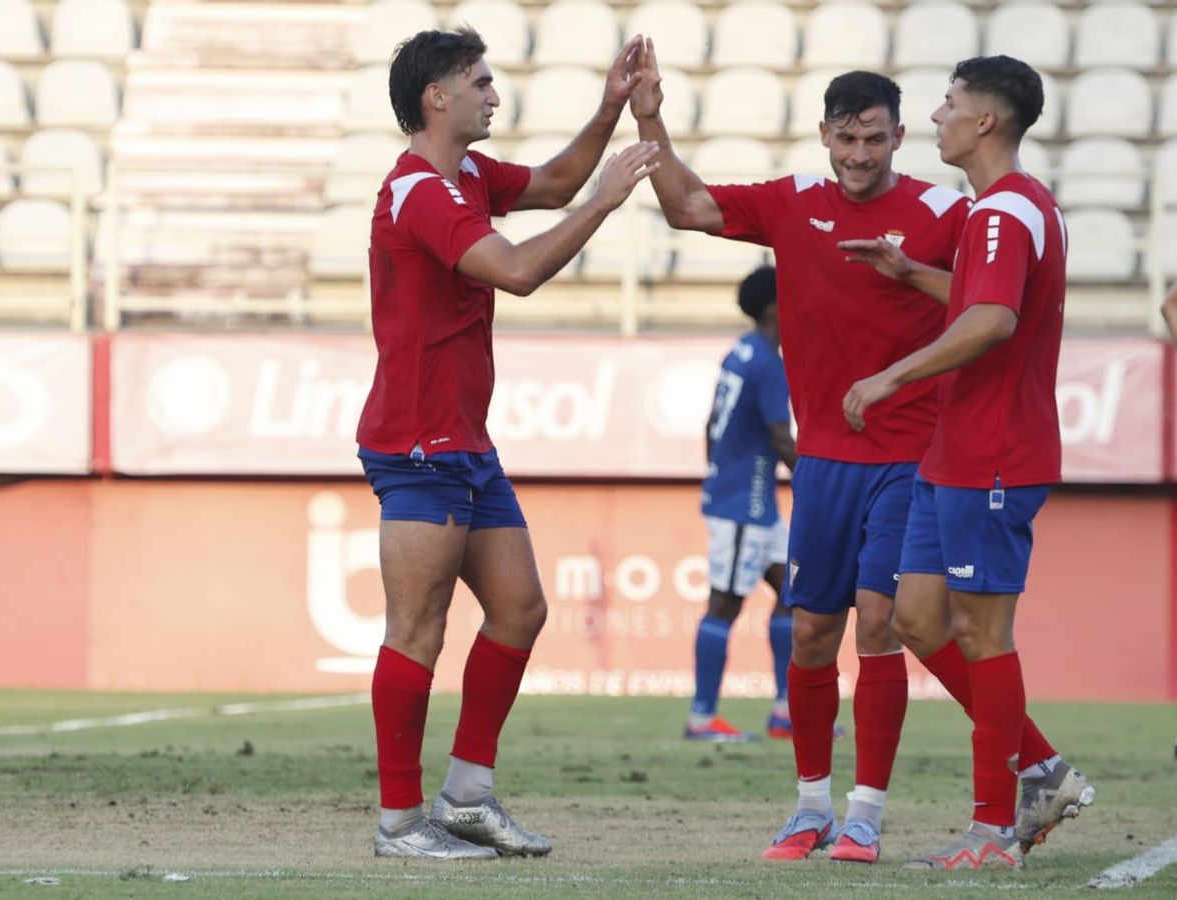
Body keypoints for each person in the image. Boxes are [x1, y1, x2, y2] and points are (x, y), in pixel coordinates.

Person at [630, 48, 971, 864]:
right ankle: (810, 808)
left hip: (908, 459)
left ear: (899, 139)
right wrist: (648, 117)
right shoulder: (793, 204)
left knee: (879, 624)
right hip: (821, 464)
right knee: (812, 630)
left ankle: (866, 815)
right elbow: (687, 207)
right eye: (847, 138)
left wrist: (913, 274)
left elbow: (994, 302)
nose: (860, 154)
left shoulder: (945, 213)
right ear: (823, 134)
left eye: (875, 139)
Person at [358, 27, 661, 860]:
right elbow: (519, 271)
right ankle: (398, 824)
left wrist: (610, 106)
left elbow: (556, 181)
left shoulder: (468, 176)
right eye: (481, 82)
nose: (494, 95)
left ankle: (465, 798)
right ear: (437, 97)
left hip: (464, 442)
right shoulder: (419, 192)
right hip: (418, 443)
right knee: (416, 630)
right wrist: (604, 201)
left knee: (521, 607)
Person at [844, 55, 1094, 870]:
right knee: (917, 619)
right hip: (952, 452)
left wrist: (890, 376)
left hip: (993, 453)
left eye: (948, 102)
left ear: (984, 120)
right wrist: (912, 271)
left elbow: (992, 320)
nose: (937, 116)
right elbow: (984, 300)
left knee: (984, 636)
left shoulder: (1003, 211)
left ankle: (994, 834)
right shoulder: (1014, 207)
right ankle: (1044, 769)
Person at [687, 265, 799, 743]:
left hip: (753, 501)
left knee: (794, 593)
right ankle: (702, 717)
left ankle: (786, 713)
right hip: (742, 505)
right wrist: (819, 483)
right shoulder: (767, 363)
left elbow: (710, 425)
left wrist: (719, 474)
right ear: (774, 308)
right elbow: (781, 437)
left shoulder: (741, 351)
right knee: (725, 604)